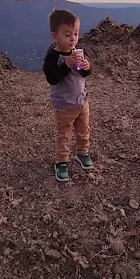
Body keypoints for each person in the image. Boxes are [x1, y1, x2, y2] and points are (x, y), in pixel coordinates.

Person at [42, 9, 94, 182]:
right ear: (54, 36)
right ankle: (62, 162)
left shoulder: (78, 52)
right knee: (64, 134)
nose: (73, 38)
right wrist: (66, 64)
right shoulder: (53, 57)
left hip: (81, 101)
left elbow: (82, 74)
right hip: (64, 105)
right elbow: (53, 78)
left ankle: (82, 153)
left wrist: (86, 67)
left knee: (83, 130)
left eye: (76, 33)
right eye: (67, 34)